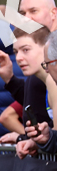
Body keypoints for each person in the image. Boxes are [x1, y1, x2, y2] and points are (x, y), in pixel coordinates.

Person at [17, 30, 57, 158]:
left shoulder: (51, 82)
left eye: (26, 50)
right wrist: (48, 137)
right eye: (15, 52)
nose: (18, 58)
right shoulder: (36, 80)